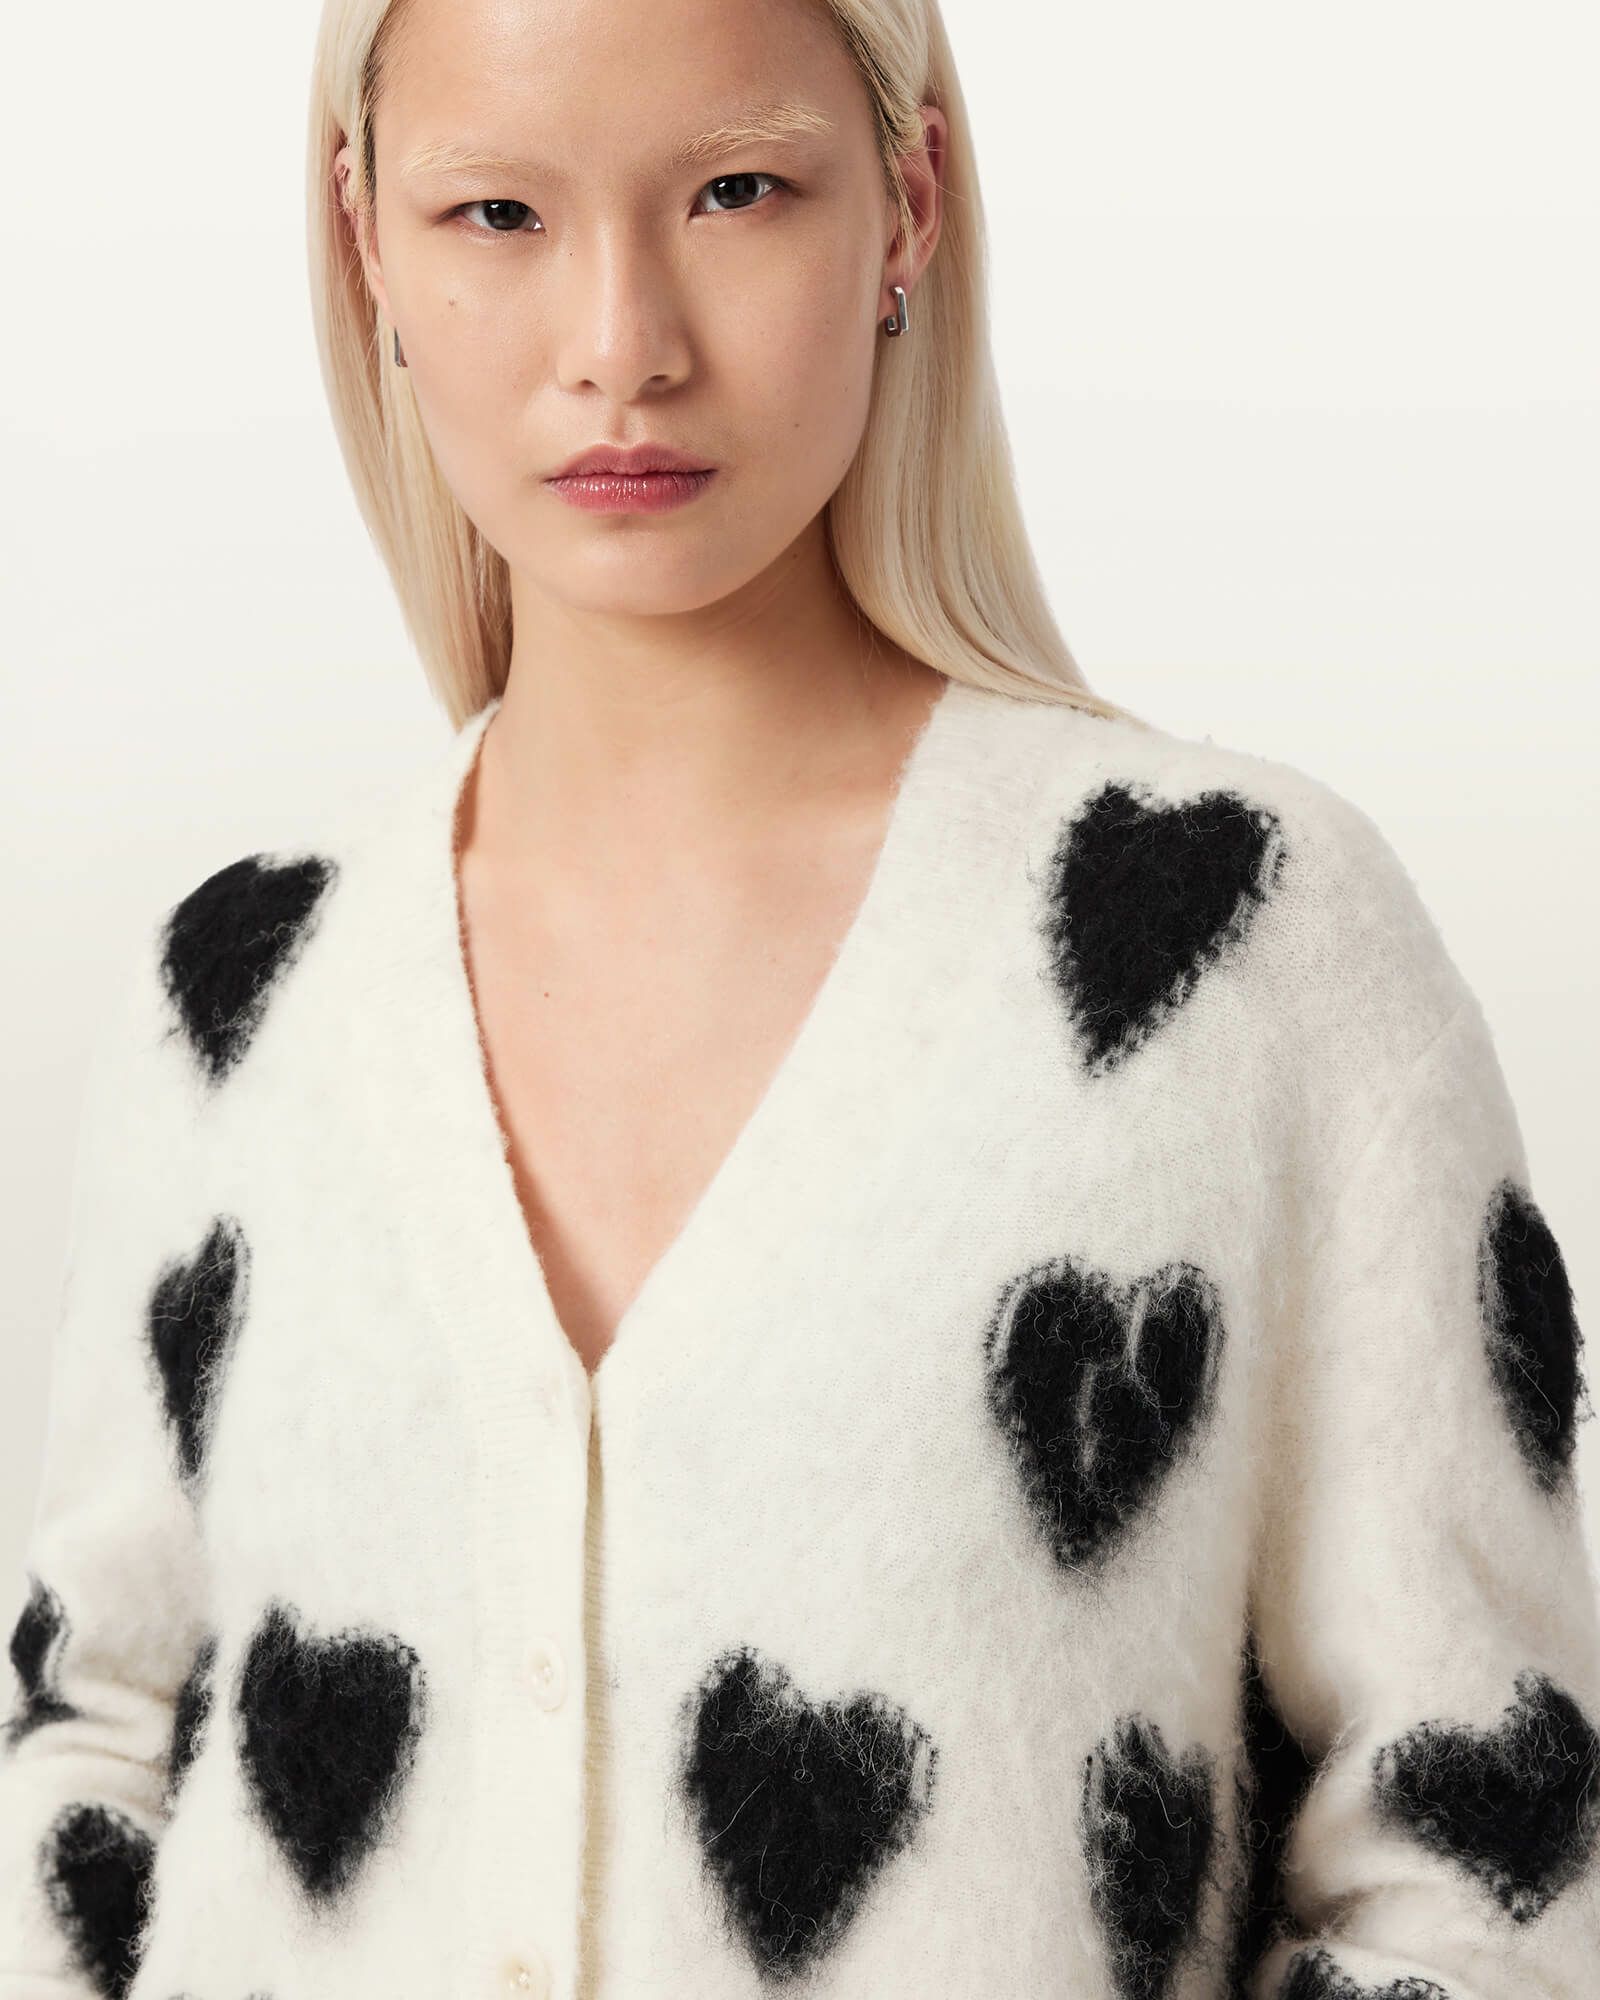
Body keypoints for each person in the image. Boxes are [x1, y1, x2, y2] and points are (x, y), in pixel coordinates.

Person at [3, 0, 1597, 1994]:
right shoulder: (237, 998)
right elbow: (86, 1740)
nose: (622, 342)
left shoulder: (1247, 951)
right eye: (497, 213)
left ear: (907, 203)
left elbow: (1481, 1847)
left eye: (738, 191)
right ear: (364, 245)